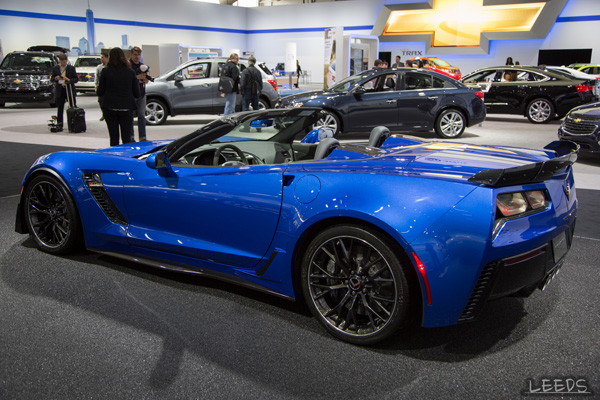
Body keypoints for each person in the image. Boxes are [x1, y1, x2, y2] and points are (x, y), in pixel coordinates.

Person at [98, 47, 141, 147]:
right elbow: (137, 93)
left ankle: (114, 158)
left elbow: (100, 92)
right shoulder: (130, 72)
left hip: (110, 108)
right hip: (126, 108)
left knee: (113, 138)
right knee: (126, 138)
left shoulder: (105, 71)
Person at [129, 46, 152, 141]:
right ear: (131, 55)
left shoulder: (142, 66)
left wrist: (146, 80)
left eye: (139, 54)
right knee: (130, 117)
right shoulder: (128, 66)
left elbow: (147, 78)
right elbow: (126, 79)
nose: (137, 56)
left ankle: (143, 137)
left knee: (142, 116)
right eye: (135, 54)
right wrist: (136, 77)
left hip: (141, 94)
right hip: (131, 95)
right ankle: (131, 137)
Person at [51, 53, 78, 132]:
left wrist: (68, 79)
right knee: (60, 108)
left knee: (73, 106)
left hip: (69, 89)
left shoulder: (71, 68)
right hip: (60, 90)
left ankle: (74, 123)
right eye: (61, 62)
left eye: (64, 62)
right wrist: (56, 78)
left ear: (66, 61)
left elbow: (76, 79)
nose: (63, 63)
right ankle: (60, 124)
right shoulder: (56, 68)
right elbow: (52, 79)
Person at [95, 51, 109, 121]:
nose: (101, 59)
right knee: (100, 100)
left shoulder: (110, 66)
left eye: (102, 57)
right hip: (101, 87)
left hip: (109, 87)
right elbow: (97, 77)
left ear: (106, 58)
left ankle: (108, 113)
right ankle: (103, 114)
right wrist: (96, 86)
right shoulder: (99, 67)